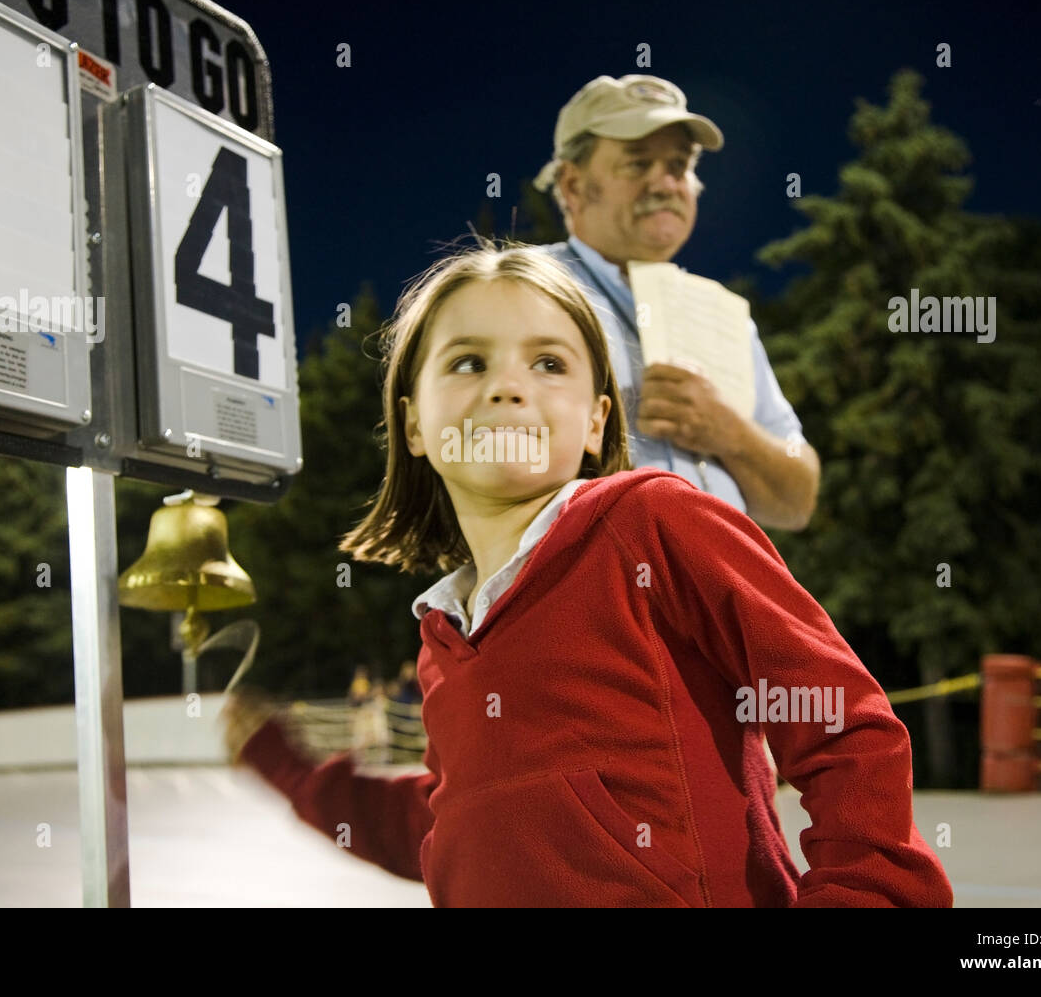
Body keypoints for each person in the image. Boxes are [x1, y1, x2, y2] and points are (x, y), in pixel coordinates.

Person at [221, 241, 951, 908]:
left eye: (548, 363)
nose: (509, 385)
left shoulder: (654, 522)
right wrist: (283, 764)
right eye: (468, 360)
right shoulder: (443, 637)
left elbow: (843, 721)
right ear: (413, 424)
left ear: (598, 420)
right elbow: (445, 822)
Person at [533, 74, 820, 531]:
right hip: (586, 595)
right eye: (637, 163)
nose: (665, 183)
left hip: (716, 596)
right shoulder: (521, 289)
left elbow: (797, 501)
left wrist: (730, 432)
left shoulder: (724, 315)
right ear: (573, 185)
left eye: (679, 165)